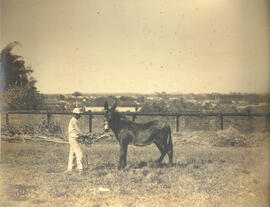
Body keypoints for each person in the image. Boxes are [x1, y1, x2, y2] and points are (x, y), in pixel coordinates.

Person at [66, 107, 85, 174]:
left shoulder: (74, 120)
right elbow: (78, 130)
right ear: (75, 114)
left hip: (73, 138)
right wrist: (84, 135)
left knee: (72, 154)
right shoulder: (74, 121)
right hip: (73, 139)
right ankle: (80, 169)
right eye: (79, 114)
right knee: (80, 153)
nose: (80, 116)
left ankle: (70, 169)